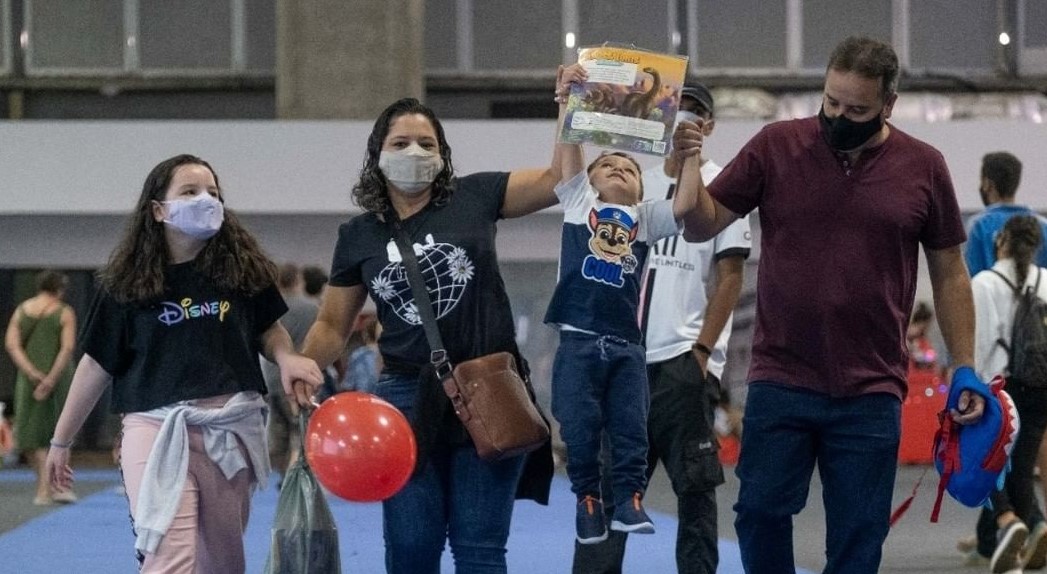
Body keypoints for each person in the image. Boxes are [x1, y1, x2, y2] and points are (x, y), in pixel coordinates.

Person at [679, 36, 986, 573]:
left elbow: (950, 271)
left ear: (888, 105)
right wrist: (688, 163)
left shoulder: (924, 166)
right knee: (758, 512)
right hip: (781, 377)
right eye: (831, 103)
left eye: (858, 109)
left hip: (871, 388)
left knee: (860, 534)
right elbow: (701, 221)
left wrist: (964, 367)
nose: (840, 117)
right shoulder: (776, 146)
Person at [300, 96, 556, 573]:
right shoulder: (358, 235)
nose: (414, 151)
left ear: (442, 154)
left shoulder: (476, 196)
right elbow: (333, 324)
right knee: (411, 550)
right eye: (401, 142)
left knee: (480, 551)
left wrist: (570, 107)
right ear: (378, 154)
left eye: (426, 142)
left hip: (490, 389)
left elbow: (557, 181)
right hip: (402, 400)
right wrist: (304, 367)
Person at [43, 154, 323, 573]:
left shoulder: (244, 271)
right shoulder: (123, 285)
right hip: (156, 430)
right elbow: (95, 365)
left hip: (231, 427)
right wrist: (61, 442)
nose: (205, 200)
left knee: (221, 562)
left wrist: (287, 357)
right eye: (189, 192)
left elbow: (269, 329)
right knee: (168, 558)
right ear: (158, 210)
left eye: (212, 192)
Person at [572, 82, 750, 573]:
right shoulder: (636, 180)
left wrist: (700, 354)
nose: (685, 120)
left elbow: (730, 277)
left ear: (709, 126)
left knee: (695, 491)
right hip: (624, 362)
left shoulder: (725, 189)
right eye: (677, 110)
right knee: (610, 489)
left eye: (696, 114)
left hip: (681, 365)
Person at [547, 64, 704, 545]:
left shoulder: (645, 218)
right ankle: (587, 498)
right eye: (608, 165)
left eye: (631, 168)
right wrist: (566, 103)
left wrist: (692, 156)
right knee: (579, 425)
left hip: (626, 347)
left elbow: (685, 207)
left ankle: (631, 497)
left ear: (642, 190)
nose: (619, 168)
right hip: (577, 341)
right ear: (589, 180)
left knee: (631, 426)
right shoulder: (579, 203)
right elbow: (569, 154)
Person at [970, 215, 1047, 573]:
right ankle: (1017, 545)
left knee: (985, 461)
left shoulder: (984, 282)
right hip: (1040, 386)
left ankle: (1006, 521)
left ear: (1000, 241)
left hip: (999, 388)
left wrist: (974, 387)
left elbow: (981, 341)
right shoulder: (1046, 280)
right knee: (1021, 470)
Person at [4, 270, 78, 505]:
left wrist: (33, 374)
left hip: (28, 379)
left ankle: (43, 488)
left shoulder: (22, 310)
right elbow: (66, 349)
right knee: (61, 432)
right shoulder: (64, 312)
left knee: (30, 433)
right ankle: (57, 487)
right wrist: (51, 379)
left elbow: (12, 345)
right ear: (59, 289)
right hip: (59, 377)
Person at [262, 262, 319, 479]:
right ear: (298, 280)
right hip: (298, 375)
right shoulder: (311, 307)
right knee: (300, 430)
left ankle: (281, 476)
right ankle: (298, 478)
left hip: (271, 377)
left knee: (278, 433)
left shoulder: (269, 305)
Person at [965, 152, 1047, 276]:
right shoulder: (1042, 225)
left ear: (987, 184)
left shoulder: (978, 226)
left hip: (989, 294)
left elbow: (974, 275)